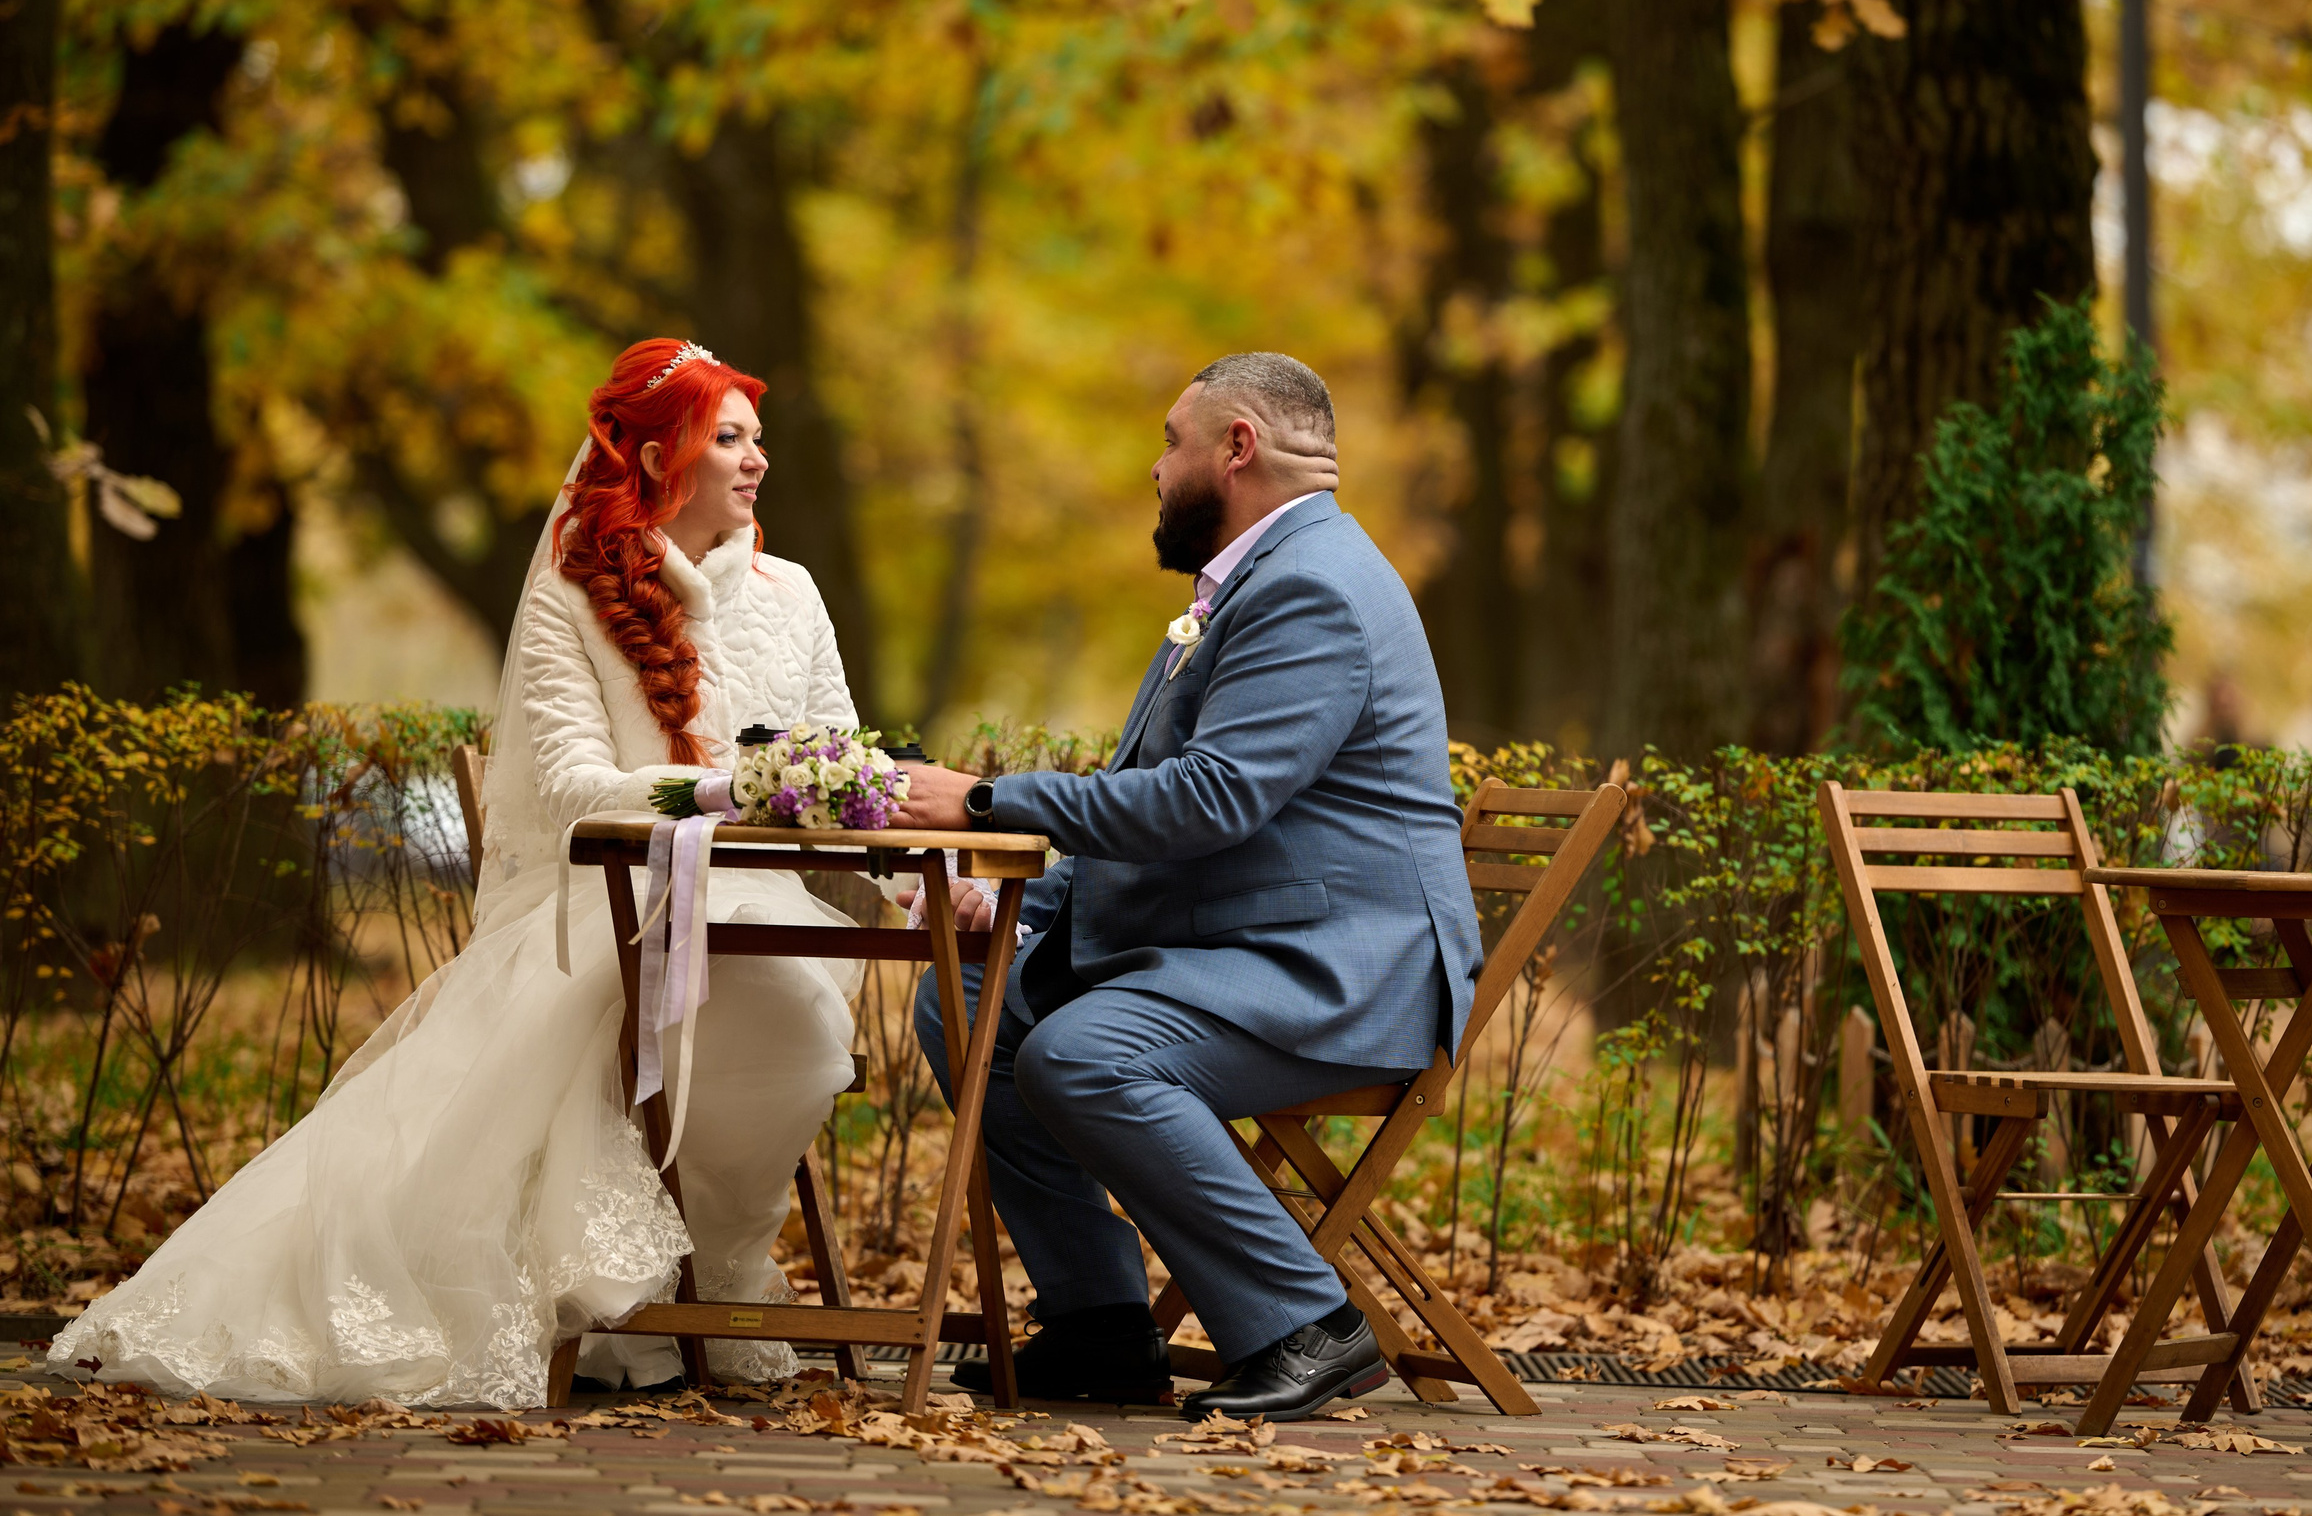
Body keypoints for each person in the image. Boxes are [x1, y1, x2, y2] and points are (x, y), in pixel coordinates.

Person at [49, 340, 866, 1407]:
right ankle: (626, 1298)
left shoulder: (792, 593)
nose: (757, 461)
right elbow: (574, 785)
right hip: (611, 904)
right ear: (664, 454)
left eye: (758, 439)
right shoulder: (569, 597)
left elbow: (844, 758)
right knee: (741, 996)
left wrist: (892, 837)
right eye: (730, 438)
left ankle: (700, 1282)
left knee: (794, 994)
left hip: (761, 902)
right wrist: (706, 795)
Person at [894, 352, 1480, 1422]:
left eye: (1171, 440)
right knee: (969, 995)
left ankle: (1309, 1320)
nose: (1155, 469)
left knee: (1085, 1052)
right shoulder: (1255, 580)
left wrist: (984, 804)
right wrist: (1035, 903)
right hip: (1259, 941)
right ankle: (1104, 1322)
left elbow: (1209, 800)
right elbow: (1160, 801)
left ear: (1237, 446)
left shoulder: (1313, 588)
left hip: (1342, 965)